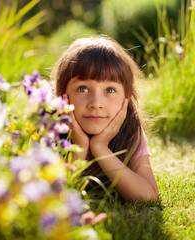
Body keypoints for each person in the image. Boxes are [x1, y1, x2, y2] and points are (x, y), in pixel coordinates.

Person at [51, 36, 159, 202]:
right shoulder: (50, 128)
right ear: (62, 94)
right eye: (82, 88)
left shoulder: (130, 129)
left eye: (109, 90)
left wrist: (100, 148)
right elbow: (48, 195)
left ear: (127, 98)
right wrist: (79, 148)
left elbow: (149, 196)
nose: (96, 104)